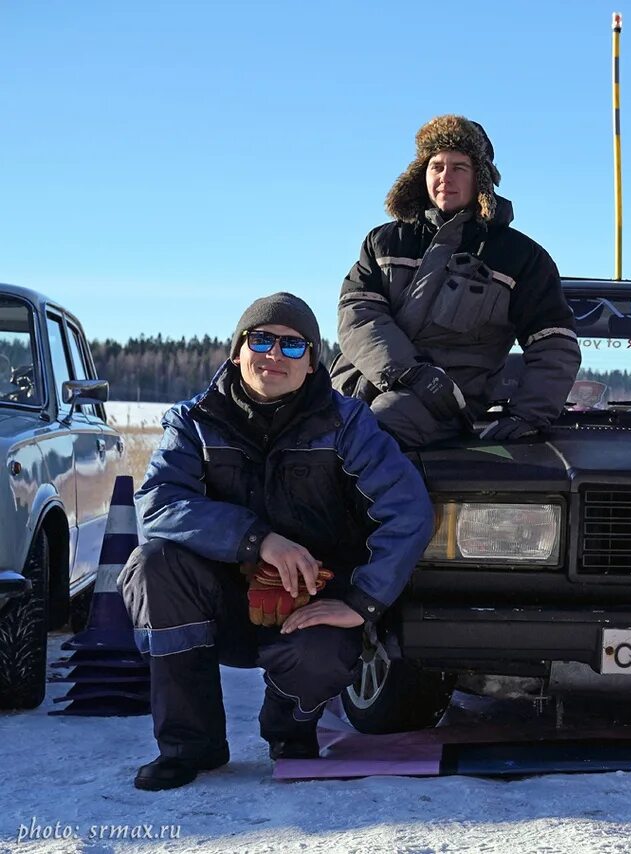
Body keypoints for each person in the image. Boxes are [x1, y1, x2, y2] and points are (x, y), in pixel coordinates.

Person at [119, 293, 434, 791]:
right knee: (154, 564)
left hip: (312, 600)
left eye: (292, 346)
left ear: (312, 363)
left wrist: (362, 601)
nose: (274, 355)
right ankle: (188, 745)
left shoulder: (346, 424)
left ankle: (291, 732)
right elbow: (158, 504)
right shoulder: (194, 422)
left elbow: (408, 511)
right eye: (261, 340)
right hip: (217, 601)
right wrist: (257, 540)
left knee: (325, 649)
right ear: (237, 351)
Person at [331, 114, 581, 447]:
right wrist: (411, 372)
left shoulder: (521, 258)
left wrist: (527, 415)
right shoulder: (384, 242)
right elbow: (358, 317)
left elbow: (554, 344)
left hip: (442, 404)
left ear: (481, 178)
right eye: (436, 166)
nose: (445, 177)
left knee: (374, 434)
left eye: (459, 167)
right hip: (356, 385)